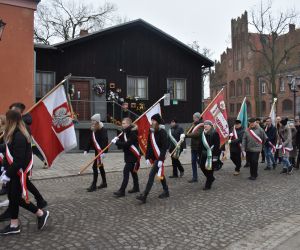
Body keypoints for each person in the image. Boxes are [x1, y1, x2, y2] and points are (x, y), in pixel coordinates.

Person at [0, 110, 49, 235]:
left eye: (6, 120)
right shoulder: (13, 133)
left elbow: (18, 161)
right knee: (13, 197)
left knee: (16, 198)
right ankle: (14, 224)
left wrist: (7, 175)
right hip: (13, 171)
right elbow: (8, 150)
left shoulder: (19, 135)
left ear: (11, 121)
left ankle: (40, 213)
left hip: (17, 172)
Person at [136, 114, 169, 204]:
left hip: (159, 157)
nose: (152, 122)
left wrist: (161, 160)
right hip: (154, 158)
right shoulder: (152, 132)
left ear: (157, 122)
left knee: (151, 175)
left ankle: (144, 195)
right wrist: (147, 157)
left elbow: (164, 147)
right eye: (152, 120)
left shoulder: (162, 132)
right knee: (160, 174)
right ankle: (166, 191)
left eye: (154, 120)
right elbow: (150, 146)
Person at [111, 118, 140, 197]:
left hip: (132, 156)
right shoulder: (124, 133)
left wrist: (116, 142)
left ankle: (122, 191)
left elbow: (127, 144)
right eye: (122, 123)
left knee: (126, 172)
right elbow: (122, 144)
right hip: (128, 155)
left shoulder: (132, 133)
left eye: (124, 123)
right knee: (133, 172)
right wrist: (117, 139)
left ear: (129, 124)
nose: (122, 124)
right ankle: (136, 187)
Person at [84, 114, 108, 192]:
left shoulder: (103, 130)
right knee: (100, 166)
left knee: (95, 167)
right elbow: (90, 140)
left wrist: (104, 152)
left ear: (97, 121)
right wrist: (86, 150)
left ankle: (93, 185)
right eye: (92, 121)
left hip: (101, 152)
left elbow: (105, 141)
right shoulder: (94, 129)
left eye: (93, 121)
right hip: (96, 151)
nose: (92, 122)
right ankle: (104, 183)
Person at [180, 112, 203, 183]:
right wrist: (187, 131)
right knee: (193, 162)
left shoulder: (201, 125)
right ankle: (195, 177)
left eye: (194, 118)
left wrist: (187, 135)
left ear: (197, 118)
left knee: (202, 163)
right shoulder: (194, 124)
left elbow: (197, 134)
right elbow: (188, 131)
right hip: (193, 147)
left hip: (199, 146)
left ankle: (209, 174)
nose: (193, 119)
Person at [198, 120, 220, 190]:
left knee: (209, 170)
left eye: (207, 125)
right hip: (204, 154)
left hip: (211, 155)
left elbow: (217, 146)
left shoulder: (215, 133)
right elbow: (200, 145)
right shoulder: (203, 134)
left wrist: (215, 157)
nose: (205, 126)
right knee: (202, 167)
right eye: (204, 125)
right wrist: (199, 154)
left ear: (211, 126)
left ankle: (208, 185)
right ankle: (211, 178)